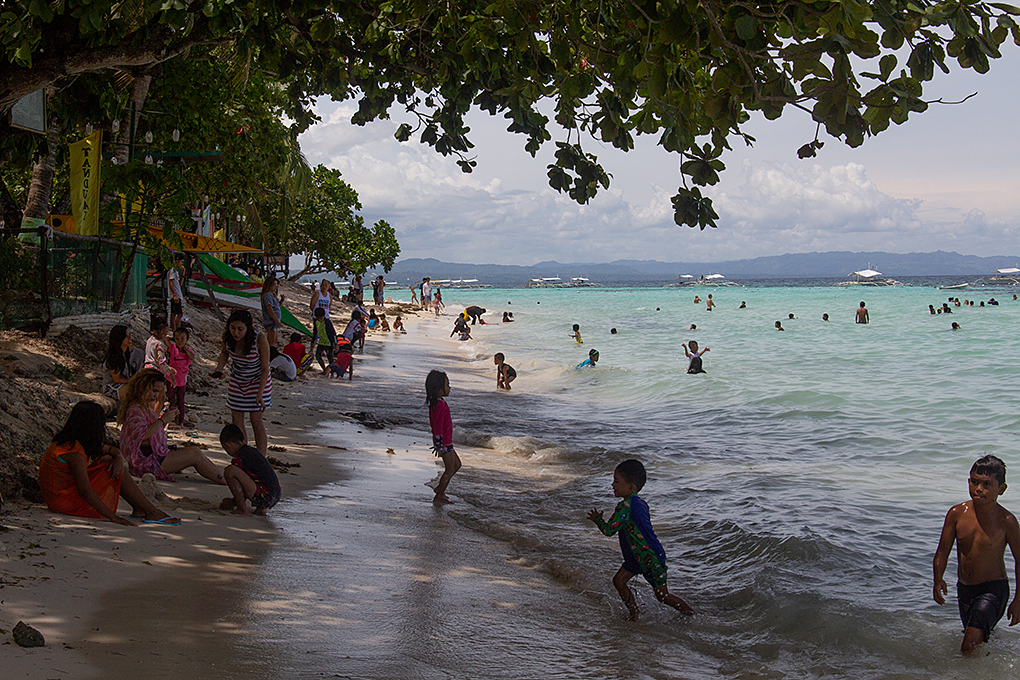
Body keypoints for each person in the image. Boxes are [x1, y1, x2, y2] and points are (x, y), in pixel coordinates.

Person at [40, 400, 181, 525]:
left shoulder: (71, 440)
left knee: (110, 460)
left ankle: (141, 508)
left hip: (59, 497)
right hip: (62, 502)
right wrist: (113, 517)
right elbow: (85, 491)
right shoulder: (74, 453)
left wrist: (119, 459)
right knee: (109, 464)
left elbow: (112, 450)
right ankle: (151, 511)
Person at [933, 455, 1020, 654]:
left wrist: (1018, 600)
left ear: (1002, 489)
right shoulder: (956, 513)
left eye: (987, 484)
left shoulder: (1007, 521)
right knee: (979, 642)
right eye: (975, 482)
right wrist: (938, 579)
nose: (979, 488)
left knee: (968, 645)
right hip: (965, 590)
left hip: (994, 590)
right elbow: (942, 551)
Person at [587, 459, 695, 620]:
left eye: (616, 481)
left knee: (652, 592)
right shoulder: (641, 503)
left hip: (645, 557)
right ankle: (638, 615)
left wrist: (597, 520)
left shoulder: (624, 507)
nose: (612, 485)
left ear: (630, 487)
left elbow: (609, 531)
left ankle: (688, 615)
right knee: (631, 585)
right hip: (648, 555)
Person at [117, 369, 224, 484]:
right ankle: (223, 480)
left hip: (153, 456)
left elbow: (153, 433)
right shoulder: (136, 410)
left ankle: (220, 476)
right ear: (142, 388)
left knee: (195, 451)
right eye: (154, 391)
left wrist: (166, 419)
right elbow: (142, 434)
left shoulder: (144, 407)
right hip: (146, 463)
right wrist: (162, 420)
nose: (156, 395)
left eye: (158, 391)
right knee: (195, 455)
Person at [213, 309, 272, 455]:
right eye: (233, 328)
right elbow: (225, 353)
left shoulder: (259, 339)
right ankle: (243, 455)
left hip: (259, 380)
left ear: (248, 328)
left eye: (240, 329)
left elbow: (265, 368)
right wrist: (219, 369)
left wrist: (259, 394)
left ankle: (261, 457)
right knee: (237, 418)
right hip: (238, 380)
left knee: (255, 419)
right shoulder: (227, 338)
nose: (236, 333)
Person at [218, 424, 281, 516]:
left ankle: (242, 509)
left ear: (228, 445)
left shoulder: (239, 458)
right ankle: (261, 509)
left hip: (264, 495)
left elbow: (240, 485)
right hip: (275, 495)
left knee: (230, 471)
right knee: (257, 477)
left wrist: (234, 502)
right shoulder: (253, 451)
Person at [426, 370, 461, 504]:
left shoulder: (438, 402)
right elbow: (438, 426)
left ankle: (440, 489)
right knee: (450, 469)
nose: (449, 388)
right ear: (438, 389)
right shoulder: (439, 405)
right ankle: (439, 494)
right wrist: (439, 445)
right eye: (447, 385)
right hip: (444, 444)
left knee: (457, 465)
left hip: (447, 442)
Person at [103, 324, 144, 402]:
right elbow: (116, 379)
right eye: (126, 337)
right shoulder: (114, 357)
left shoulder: (129, 353)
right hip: (112, 386)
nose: (130, 338)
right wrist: (131, 381)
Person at [167, 327, 194, 428]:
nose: (180, 341)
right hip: (171, 379)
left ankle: (180, 421)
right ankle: (171, 420)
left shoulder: (187, 352)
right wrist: (171, 339)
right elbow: (165, 339)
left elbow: (192, 357)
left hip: (182, 380)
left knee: (181, 400)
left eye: (182, 339)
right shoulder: (172, 348)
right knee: (171, 399)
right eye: (177, 339)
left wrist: (186, 350)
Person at [309, 279, 337, 348]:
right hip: (317, 318)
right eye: (323, 285)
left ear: (329, 286)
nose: (324, 287)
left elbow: (329, 306)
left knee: (326, 333)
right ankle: (312, 349)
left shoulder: (329, 296)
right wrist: (317, 314)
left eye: (326, 285)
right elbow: (312, 306)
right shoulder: (317, 295)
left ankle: (324, 348)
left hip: (326, 317)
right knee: (316, 334)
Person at [261, 275, 283, 347]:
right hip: (271, 321)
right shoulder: (267, 295)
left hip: (274, 321)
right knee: (271, 342)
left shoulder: (273, 295)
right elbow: (269, 308)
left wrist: (281, 301)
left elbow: (276, 307)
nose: (275, 287)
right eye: (274, 285)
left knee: (275, 340)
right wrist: (276, 320)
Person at [311, 308, 334, 375]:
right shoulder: (316, 322)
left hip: (329, 342)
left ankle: (332, 372)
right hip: (321, 342)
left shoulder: (327, 322)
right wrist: (313, 342)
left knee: (330, 359)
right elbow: (315, 332)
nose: (320, 319)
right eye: (318, 318)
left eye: (321, 318)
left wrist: (335, 344)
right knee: (318, 356)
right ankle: (324, 370)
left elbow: (333, 333)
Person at [168, 253, 185, 331]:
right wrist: (174, 295)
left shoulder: (176, 271)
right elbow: (170, 282)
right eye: (181, 262)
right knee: (178, 314)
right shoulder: (173, 270)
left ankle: (176, 329)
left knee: (175, 314)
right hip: (175, 296)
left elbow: (179, 284)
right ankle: (176, 330)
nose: (181, 264)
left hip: (178, 294)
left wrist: (183, 275)